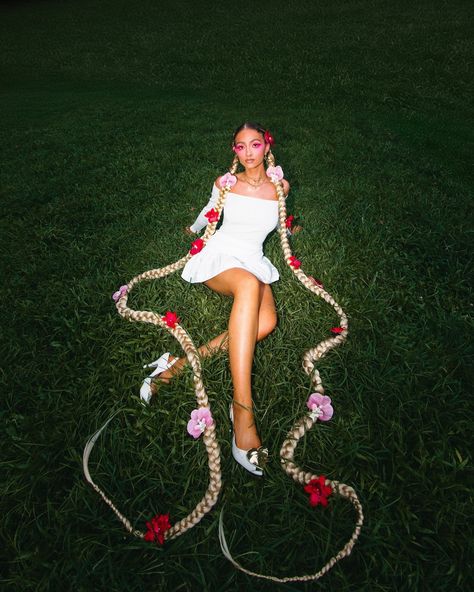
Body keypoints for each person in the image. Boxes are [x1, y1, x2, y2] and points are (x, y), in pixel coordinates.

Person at [139, 121, 297, 476]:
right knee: (246, 286)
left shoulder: (280, 187)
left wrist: (291, 227)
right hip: (222, 256)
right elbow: (210, 212)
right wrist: (194, 230)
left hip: (254, 258)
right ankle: (243, 412)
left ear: (266, 147)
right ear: (235, 152)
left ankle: (175, 366)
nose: (248, 152)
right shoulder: (226, 184)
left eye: (254, 144)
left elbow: (280, 220)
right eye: (240, 147)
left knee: (267, 322)